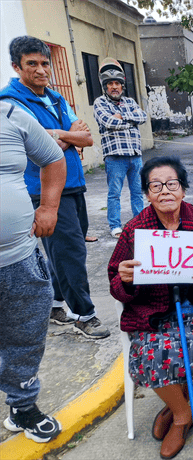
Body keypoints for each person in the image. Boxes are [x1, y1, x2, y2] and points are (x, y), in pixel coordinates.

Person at [108, 156, 193, 459]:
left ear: (182, 189)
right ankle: (183, 416)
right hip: (153, 313)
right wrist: (126, 278)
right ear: (146, 194)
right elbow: (114, 283)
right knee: (151, 354)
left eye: (172, 184)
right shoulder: (135, 230)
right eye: (155, 186)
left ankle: (176, 410)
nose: (165, 191)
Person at [0, 36, 110, 338]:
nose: (40, 69)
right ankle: (84, 316)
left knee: (63, 253)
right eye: (31, 64)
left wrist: (58, 136)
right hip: (43, 190)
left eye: (44, 63)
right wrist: (64, 138)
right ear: (16, 66)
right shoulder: (10, 103)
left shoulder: (55, 98)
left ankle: (54, 305)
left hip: (74, 184)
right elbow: (36, 148)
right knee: (70, 254)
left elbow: (86, 138)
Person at [1, 101, 66, 442]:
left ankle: (23, 407)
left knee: (24, 338)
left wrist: (49, 206)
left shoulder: (11, 115)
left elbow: (53, 157)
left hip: (18, 258)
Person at [93, 58, 147, 238]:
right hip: (115, 157)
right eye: (110, 84)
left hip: (135, 155)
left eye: (117, 83)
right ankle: (115, 225)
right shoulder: (100, 103)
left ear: (122, 85)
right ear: (105, 86)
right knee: (114, 193)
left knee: (138, 192)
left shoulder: (130, 102)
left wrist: (121, 117)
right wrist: (129, 121)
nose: (114, 87)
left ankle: (139, 223)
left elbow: (142, 117)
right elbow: (107, 122)